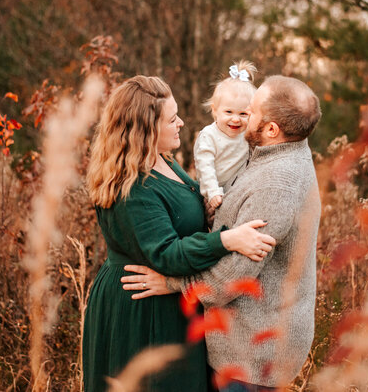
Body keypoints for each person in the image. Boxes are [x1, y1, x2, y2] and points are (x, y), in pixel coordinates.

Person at [122, 75, 322, 391]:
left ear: (272, 129)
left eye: (251, 112)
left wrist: (172, 282)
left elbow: (233, 277)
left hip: (252, 356)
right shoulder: (278, 153)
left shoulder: (276, 184)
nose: (242, 118)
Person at [82, 76, 277, 392]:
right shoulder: (131, 187)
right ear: (146, 129)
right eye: (171, 119)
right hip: (142, 309)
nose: (182, 123)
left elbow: (184, 216)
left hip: (170, 298)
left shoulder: (162, 160)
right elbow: (167, 254)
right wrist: (227, 239)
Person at [194, 61, 257, 215]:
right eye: (228, 112)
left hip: (237, 188)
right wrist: (213, 192)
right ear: (215, 111)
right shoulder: (209, 136)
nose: (236, 119)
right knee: (213, 219)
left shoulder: (247, 135)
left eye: (243, 114)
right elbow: (205, 166)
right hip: (213, 190)